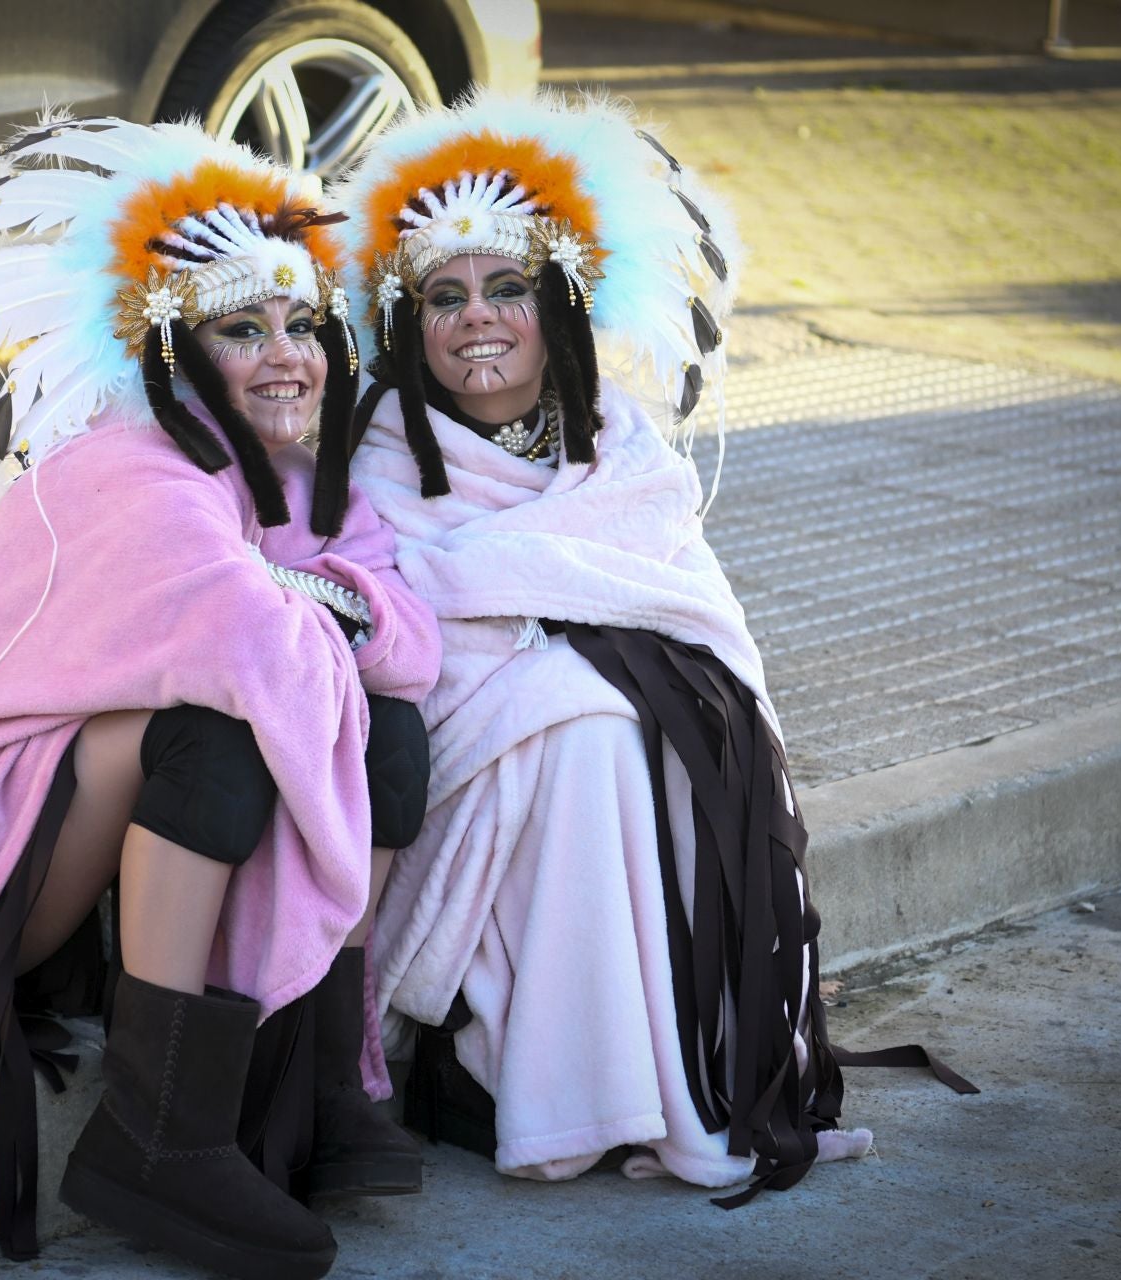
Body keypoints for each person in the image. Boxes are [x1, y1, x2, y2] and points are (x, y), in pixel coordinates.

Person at [0, 114, 441, 1279]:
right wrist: (327, 607)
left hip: (76, 831)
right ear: (171, 352)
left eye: (302, 322)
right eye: (242, 329)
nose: (288, 353)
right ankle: (159, 1129)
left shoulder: (303, 475)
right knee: (220, 737)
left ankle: (320, 1078)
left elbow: (409, 647)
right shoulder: (127, 468)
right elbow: (265, 652)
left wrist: (313, 600)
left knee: (389, 737)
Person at [327, 90, 913, 1206]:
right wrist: (563, 673)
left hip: (604, 735)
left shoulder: (623, 443)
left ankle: (678, 1072)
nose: (476, 318)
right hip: (469, 761)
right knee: (589, 722)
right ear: (412, 325)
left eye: (508, 288)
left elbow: (694, 618)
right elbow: (416, 641)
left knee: (684, 730)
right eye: (444, 297)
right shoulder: (382, 453)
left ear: (559, 303)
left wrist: (590, 669)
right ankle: (556, 1083)